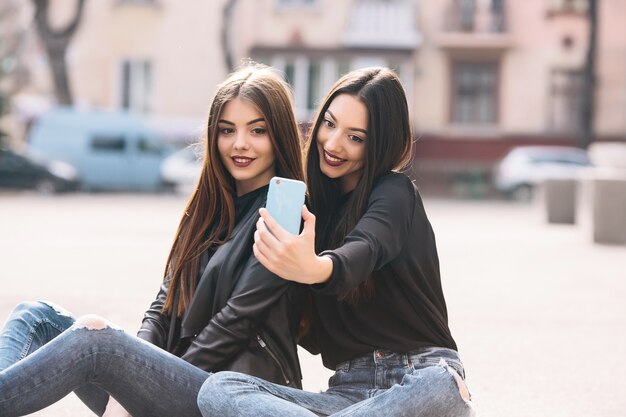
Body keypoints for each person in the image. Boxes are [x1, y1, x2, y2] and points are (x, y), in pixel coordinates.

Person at [0, 62, 306, 417]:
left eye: (257, 131)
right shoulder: (210, 210)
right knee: (36, 316)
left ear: (280, 135)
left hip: (234, 393)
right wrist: (128, 383)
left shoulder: (284, 214)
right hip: (175, 382)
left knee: (94, 339)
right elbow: (162, 308)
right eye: (227, 130)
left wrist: (143, 388)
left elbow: (236, 323)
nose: (240, 144)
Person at [197, 67, 475, 417]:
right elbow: (308, 334)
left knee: (441, 388)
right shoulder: (310, 213)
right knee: (218, 390)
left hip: (418, 379)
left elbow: (366, 247)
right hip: (348, 395)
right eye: (329, 124)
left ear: (380, 144)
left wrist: (315, 268)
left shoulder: (394, 193)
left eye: (355, 138)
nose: (332, 143)